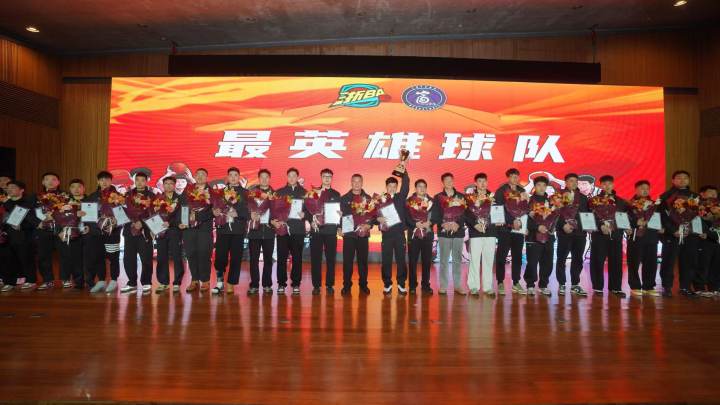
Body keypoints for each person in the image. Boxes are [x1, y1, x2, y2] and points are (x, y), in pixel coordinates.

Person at [658, 170, 700, 297]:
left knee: (688, 261)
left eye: (685, 178)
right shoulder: (666, 196)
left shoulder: (695, 196)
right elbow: (662, 216)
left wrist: (692, 230)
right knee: (668, 261)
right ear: (673, 180)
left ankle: (685, 287)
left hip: (689, 235)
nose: (682, 180)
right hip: (672, 234)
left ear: (688, 180)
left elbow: (698, 216)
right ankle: (667, 287)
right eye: (679, 178)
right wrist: (673, 230)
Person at [212, 167, 249, 295]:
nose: (233, 177)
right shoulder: (220, 192)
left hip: (238, 230)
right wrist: (214, 211)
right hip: (223, 229)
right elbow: (214, 207)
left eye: (235, 175)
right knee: (220, 257)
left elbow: (250, 211)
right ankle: (219, 281)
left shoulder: (245, 193)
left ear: (239, 177)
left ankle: (231, 283)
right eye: (231, 175)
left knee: (236, 258)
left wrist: (238, 213)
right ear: (227, 177)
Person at [589, 175, 627, 298]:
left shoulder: (620, 201)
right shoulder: (593, 200)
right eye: (604, 184)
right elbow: (590, 216)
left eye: (609, 183)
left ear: (613, 185)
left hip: (616, 235)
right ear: (600, 185)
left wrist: (627, 227)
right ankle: (598, 287)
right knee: (597, 261)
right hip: (599, 235)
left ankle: (616, 288)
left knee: (616, 261)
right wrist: (600, 226)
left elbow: (624, 216)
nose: (607, 186)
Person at [83, 171, 121, 294]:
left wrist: (116, 222)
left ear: (111, 181)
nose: (104, 182)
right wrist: (89, 226)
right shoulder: (92, 197)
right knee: (98, 257)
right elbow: (87, 216)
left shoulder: (119, 196)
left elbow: (124, 215)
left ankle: (114, 280)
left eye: (107, 179)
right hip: (96, 233)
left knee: (113, 257)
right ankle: (101, 280)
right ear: (98, 182)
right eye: (101, 180)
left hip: (112, 233)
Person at [119, 171, 155, 294]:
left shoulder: (152, 196)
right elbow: (121, 212)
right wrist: (132, 221)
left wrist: (142, 223)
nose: (139, 182)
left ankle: (146, 282)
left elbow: (155, 214)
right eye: (137, 180)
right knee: (129, 259)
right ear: (134, 181)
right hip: (130, 230)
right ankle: (132, 283)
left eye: (142, 180)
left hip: (145, 232)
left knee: (146, 258)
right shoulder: (127, 195)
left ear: (146, 181)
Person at [308, 168, 342, 295]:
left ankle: (329, 285)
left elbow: (339, 213)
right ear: (321, 177)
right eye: (324, 176)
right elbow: (307, 210)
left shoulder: (336, 194)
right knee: (315, 259)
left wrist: (340, 221)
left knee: (331, 259)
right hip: (316, 230)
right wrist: (310, 220)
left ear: (332, 178)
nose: (327, 178)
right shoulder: (313, 193)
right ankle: (316, 285)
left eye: (329, 176)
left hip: (331, 230)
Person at [179, 168, 214, 292]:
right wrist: (183, 221)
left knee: (204, 253)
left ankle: (205, 280)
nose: (200, 176)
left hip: (204, 228)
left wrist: (197, 216)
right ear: (194, 176)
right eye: (198, 174)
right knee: (191, 253)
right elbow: (181, 207)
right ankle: (194, 279)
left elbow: (213, 211)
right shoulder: (187, 190)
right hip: (188, 227)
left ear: (207, 177)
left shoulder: (212, 192)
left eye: (203, 174)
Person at [431, 172, 466, 295]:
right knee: (444, 260)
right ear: (443, 182)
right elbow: (435, 214)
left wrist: (458, 224)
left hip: (458, 232)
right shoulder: (438, 197)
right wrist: (443, 224)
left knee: (457, 260)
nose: (449, 182)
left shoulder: (461, 196)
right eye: (446, 180)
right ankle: (443, 286)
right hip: (444, 232)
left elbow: (465, 213)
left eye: (451, 180)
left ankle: (457, 285)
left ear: (453, 181)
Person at [273, 167, 306, 295]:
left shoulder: (304, 193)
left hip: (298, 230)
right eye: (290, 176)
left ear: (298, 177)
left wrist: (305, 215)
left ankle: (296, 284)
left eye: (294, 176)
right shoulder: (279, 192)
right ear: (287, 177)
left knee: (297, 258)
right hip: (283, 229)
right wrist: (274, 221)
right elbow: (273, 210)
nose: (292, 178)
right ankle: (281, 284)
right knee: (281, 258)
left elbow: (310, 211)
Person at [494, 168, 527, 295]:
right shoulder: (501, 191)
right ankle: (500, 282)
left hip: (518, 229)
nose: (515, 178)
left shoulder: (522, 191)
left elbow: (526, 209)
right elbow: (498, 209)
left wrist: (521, 223)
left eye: (517, 176)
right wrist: (511, 221)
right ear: (508, 177)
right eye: (512, 176)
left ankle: (516, 282)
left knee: (517, 257)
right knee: (501, 257)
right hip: (505, 229)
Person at [555, 173, 589, 296]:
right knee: (561, 258)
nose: (573, 183)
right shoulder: (558, 196)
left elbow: (587, 214)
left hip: (580, 234)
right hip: (564, 232)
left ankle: (575, 284)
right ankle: (561, 283)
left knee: (578, 259)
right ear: (566, 183)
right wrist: (562, 225)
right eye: (570, 181)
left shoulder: (584, 198)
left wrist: (589, 226)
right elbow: (555, 214)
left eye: (575, 181)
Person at [626, 180, 661, 297]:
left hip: (651, 236)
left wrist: (661, 227)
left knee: (651, 262)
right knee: (634, 262)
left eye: (647, 188)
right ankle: (635, 286)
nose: (645, 190)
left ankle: (649, 286)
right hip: (636, 236)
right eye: (642, 188)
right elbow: (625, 219)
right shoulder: (629, 204)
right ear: (636, 189)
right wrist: (635, 223)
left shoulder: (654, 205)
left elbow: (660, 219)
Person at [0, 181, 36, 291]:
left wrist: (23, 226)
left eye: (13, 187)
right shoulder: (4, 203)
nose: (9, 189)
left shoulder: (27, 202)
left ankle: (30, 281)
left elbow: (32, 220)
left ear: (22, 190)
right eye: (8, 188)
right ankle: (9, 282)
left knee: (26, 259)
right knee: (7, 259)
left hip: (23, 235)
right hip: (6, 235)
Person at [465, 173, 497, 296]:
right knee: (474, 260)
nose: (482, 184)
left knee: (488, 260)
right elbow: (467, 214)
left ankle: (488, 287)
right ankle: (473, 286)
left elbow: (497, 212)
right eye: (480, 181)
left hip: (490, 232)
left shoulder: (492, 197)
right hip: (476, 232)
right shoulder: (470, 198)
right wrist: (475, 224)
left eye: (484, 181)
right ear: (475, 183)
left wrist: (499, 220)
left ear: (487, 182)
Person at [340, 174, 373, 295]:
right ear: (351, 182)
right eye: (354, 181)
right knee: (347, 262)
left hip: (363, 234)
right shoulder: (344, 198)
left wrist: (369, 225)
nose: (357, 183)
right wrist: (339, 227)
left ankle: (363, 284)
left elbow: (373, 216)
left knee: (363, 262)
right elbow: (340, 216)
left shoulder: (368, 198)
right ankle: (346, 285)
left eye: (359, 181)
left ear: (362, 183)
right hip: (349, 234)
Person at [524, 176, 555, 296]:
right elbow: (525, 218)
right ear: (534, 186)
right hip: (533, 237)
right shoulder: (529, 201)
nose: (541, 187)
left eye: (544, 185)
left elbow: (556, 217)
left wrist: (552, 228)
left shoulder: (552, 201)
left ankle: (543, 285)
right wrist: (537, 227)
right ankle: (530, 285)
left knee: (547, 263)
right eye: (538, 185)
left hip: (548, 237)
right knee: (532, 262)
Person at [247, 169, 275, 295]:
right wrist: (250, 214)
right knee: (253, 259)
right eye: (262, 177)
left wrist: (273, 221)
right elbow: (245, 208)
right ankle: (254, 285)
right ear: (259, 178)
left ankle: (267, 284)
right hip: (255, 231)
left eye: (266, 177)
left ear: (269, 178)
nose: (264, 179)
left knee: (268, 260)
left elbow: (278, 212)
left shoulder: (274, 194)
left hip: (269, 231)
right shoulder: (251, 193)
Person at [154, 176, 184, 294]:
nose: (169, 185)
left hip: (175, 231)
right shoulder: (158, 199)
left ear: (174, 185)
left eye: (171, 183)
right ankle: (163, 282)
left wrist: (171, 223)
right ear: (163, 185)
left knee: (177, 257)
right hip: (161, 230)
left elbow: (182, 215)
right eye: (166, 183)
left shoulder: (180, 199)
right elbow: (153, 214)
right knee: (161, 257)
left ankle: (177, 282)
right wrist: (154, 226)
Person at [35, 172, 62, 290]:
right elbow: (29, 212)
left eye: (53, 179)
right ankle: (47, 280)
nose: (50, 182)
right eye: (47, 179)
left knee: (65, 256)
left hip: (60, 230)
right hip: (43, 230)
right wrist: (38, 223)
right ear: (43, 182)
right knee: (43, 256)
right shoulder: (36, 197)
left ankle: (65, 279)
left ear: (58, 182)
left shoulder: (64, 196)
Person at [406, 179, 434, 295]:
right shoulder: (409, 201)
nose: (422, 189)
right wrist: (415, 224)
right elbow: (406, 217)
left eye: (424, 187)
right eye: (419, 186)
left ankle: (425, 285)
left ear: (426, 188)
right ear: (415, 188)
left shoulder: (431, 201)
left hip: (427, 234)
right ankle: (412, 285)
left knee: (427, 261)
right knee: (412, 261)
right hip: (414, 235)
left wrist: (429, 222)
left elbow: (436, 216)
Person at [57, 179, 86, 289]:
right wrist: (59, 231)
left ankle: (80, 281)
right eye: (73, 187)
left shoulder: (89, 201)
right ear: (70, 189)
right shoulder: (63, 202)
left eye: (79, 186)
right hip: (67, 233)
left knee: (81, 259)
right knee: (66, 257)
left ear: (84, 188)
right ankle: (66, 279)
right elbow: (57, 218)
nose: (76, 189)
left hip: (85, 233)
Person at [696, 185, 718, 297]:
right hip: (703, 239)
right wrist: (707, 233)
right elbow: (697, 221)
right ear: (702, 194)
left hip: (716, 239)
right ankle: (699, 288)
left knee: (716, 265)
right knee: (703, 265)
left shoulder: (717, 206)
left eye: (715, 193)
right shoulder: (697, 206)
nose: (713, 195)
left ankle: (714, 288)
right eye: (710, 192)